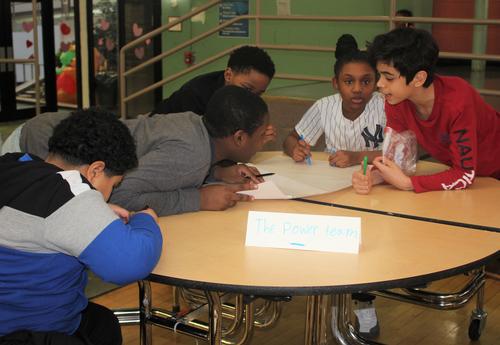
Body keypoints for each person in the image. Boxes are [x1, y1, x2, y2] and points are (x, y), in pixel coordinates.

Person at [0, 109, 163, 345]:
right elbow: (129, 263)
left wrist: (96, 210)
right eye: (113, 185)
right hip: (26, 331)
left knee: (103, 322)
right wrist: (145, 220)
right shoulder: (68, 194)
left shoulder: (17, 165)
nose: (108, 195)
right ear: (95, 171)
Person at [19, 86, 270, 216]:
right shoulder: (192, 155)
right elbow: (119, 195)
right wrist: (198, 199)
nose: (265, 141)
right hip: (36, 145)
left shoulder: (194, 125)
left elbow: (165, 165)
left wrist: (216, 173)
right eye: (261, 136)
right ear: (238, 137)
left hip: (46, 130)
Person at [352, 27, 500, 195]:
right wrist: (375, 176)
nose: (379, 84)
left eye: (389, 77)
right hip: (477, 179)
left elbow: (464, 174)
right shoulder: (396, 101)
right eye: (379, 75)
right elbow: (399, 162)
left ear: (418, 78)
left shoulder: (458, 101)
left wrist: (409, 183)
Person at [283, 34, 385, 168]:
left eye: (366, 81)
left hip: (374, 176)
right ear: (336, 83)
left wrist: (356, 157)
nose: (357, 89)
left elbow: (402, 153)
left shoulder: (385, 105)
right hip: (332, 174)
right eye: (348, 81)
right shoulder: (323, 107)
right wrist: (295, 149)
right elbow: (290, 139)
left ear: (376, 81)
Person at [151, 45, 277, 144]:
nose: (251, 98)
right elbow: (199, 146)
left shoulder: (249, 102)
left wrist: (256, 140)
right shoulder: (198, 93)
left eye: (258, 94)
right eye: (247, 89)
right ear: (228, 75)